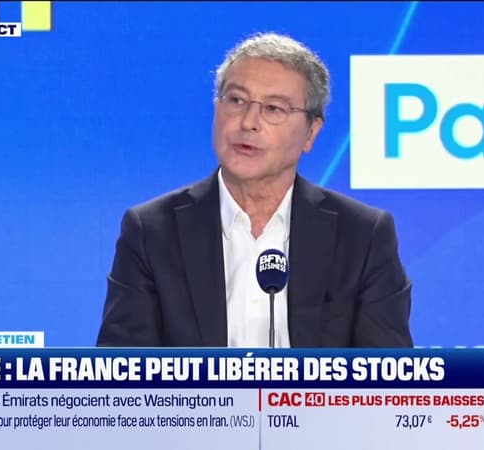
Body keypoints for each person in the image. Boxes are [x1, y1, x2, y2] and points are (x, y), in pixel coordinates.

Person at [96, 32, 412, 347]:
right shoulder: (152, 231)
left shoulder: (361, 236)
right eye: (236, 100)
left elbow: (386, 372)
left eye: (274, 108)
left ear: (311, 133)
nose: (248, 122)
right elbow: (123, 370)